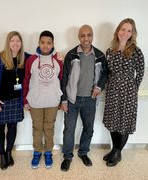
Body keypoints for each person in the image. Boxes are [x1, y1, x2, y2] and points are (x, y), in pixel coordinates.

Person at [60, 24, 108, 172]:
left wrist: (99, 86)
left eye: (89, 35)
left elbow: (105, 74)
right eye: (82, 35)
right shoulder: (71, 55)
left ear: (93, 36)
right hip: (72, 100)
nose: (86, 38)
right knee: (69, 130)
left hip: (90, 100)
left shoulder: (99, 55)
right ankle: (67, 156)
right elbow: (64, 78)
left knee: (88, 128)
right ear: (79, 37)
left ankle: (83, 152)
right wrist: (63, 99)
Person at [102, 18, 145, 167]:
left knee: (123, 122)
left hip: (128, 93)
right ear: (118, 31)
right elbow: (106, 72)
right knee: (113, 121)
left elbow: (140, 73)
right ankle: (114, 149)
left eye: (129, 30)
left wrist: (133, 89)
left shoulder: (136, 51)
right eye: (123, 29)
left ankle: (118, 152)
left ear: (132, 33)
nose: (125, 33)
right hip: (113, 91)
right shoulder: (110, 50)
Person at [0, 31, 30, 170]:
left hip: (15, 102)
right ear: (8, 42)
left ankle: (8, 152)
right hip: (0, 101)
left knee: (12, 128)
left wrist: (56, 55)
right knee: (0, 128)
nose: (15, 43)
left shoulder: (25, 58)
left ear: (21, 43)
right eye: (12, 40)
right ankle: (1, 155)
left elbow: (40, 55)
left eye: (18, 41)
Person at [23, 30, 63, 169]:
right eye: (43, 42)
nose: (45, 46)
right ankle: (37, 151)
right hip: (36, 101)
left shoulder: (58, 60)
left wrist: (61, 99)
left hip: (52, 101)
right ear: (39, 43)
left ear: (53, 44)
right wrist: (25, 100)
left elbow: (62, 80)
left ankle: (48, 152)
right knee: (37, 127)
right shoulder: (31, 60)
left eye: (48, 43)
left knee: (49, 127)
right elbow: (26, 80)